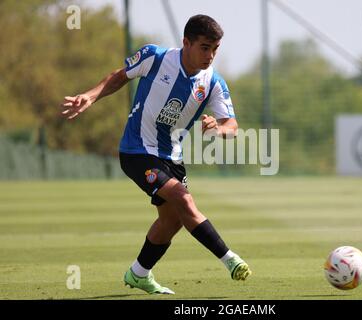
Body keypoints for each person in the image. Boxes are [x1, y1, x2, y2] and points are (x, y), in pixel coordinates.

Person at [60, 14, 251, 295]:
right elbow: (118, 77)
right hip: (137, 151)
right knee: (184, 200)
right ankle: (229, 259)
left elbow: (232, 126)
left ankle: (138, 274)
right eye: (204, 47)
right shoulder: (155, 57)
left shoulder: (213, 83)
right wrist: (91, 95)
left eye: (215, 49)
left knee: (172, 220)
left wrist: (217, 129)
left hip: (171, 157)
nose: (210, 55)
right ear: (186, 42)